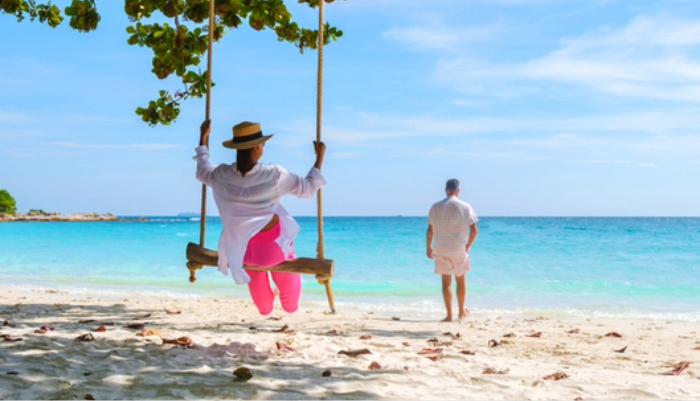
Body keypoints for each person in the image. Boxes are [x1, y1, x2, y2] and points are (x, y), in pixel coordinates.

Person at [194, 120, 326, 315]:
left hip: (242, 250)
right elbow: (307, 189)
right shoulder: (274, 174)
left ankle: (267, 293)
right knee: (291, 306)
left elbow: (203, 171)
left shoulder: (221, 175)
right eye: (263, 143)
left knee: (264, 309)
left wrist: (203, 139)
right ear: (258, 147)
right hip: (274, 249)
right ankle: (285, 290)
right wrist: (319, 159)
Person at [426, 179, 479, 321]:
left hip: (441, 248)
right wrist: (468, 245)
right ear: (458, 190)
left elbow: (430, 231)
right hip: (458, 248)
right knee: (460, 280)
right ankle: (461, 312)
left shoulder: (435, 207)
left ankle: (449, 316)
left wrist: (428, 247)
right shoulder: (465, 206)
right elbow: (474, 230)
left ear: (445, 190)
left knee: (446, 283)